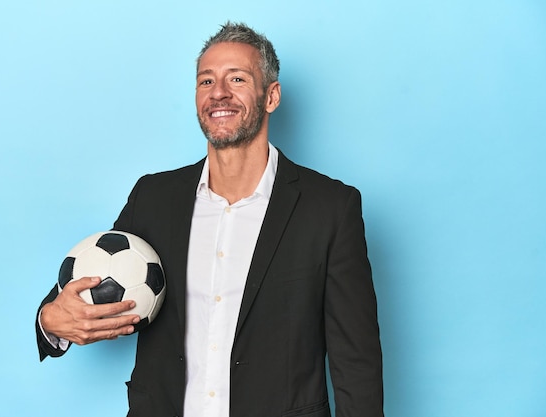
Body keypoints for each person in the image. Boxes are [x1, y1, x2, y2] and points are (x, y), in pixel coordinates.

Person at [36, 22, 384, 417]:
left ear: (271, 96)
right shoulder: (153, 197)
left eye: (237, 78)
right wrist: (50, 320)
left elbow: (356, 362)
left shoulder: (331, 208)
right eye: (206, 81)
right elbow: (90, 281)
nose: (218, 92)